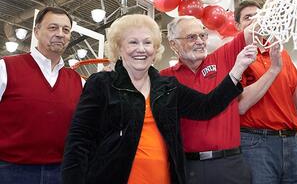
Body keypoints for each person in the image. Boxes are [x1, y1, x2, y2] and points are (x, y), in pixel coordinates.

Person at [61, 14, 257, 184]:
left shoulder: (166, 86)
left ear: (155, 50)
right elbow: (79, 142)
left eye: (147, 43)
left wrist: (237, 70)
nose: (141, 49)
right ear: (119, 48)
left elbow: (206, 106)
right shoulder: (102, 83)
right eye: (133, 42)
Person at [160, 15, 283, 183]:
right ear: (173, 44)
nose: (200, 41)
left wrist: (278, 0)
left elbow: (253, 30)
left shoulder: (222, 57)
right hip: (189, 168)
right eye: (191, 37)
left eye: (202, 35)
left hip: (230, 164)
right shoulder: (165, 78)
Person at [234, 0, 297, 183]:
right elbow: (240, 106)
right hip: (256, 143)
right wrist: (273, 70)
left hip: (292, 141)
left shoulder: (280, 53)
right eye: (248, 17)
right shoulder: (238, 56)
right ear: (237, 26)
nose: (255, 20)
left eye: (259, 15)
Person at [0, 7, 83, 184]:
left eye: (66, 30)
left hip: (61, 172)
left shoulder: (79, 81)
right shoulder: (5, 68)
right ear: (37, 31)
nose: (60, 34)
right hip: (9, 170)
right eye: (53, 28)